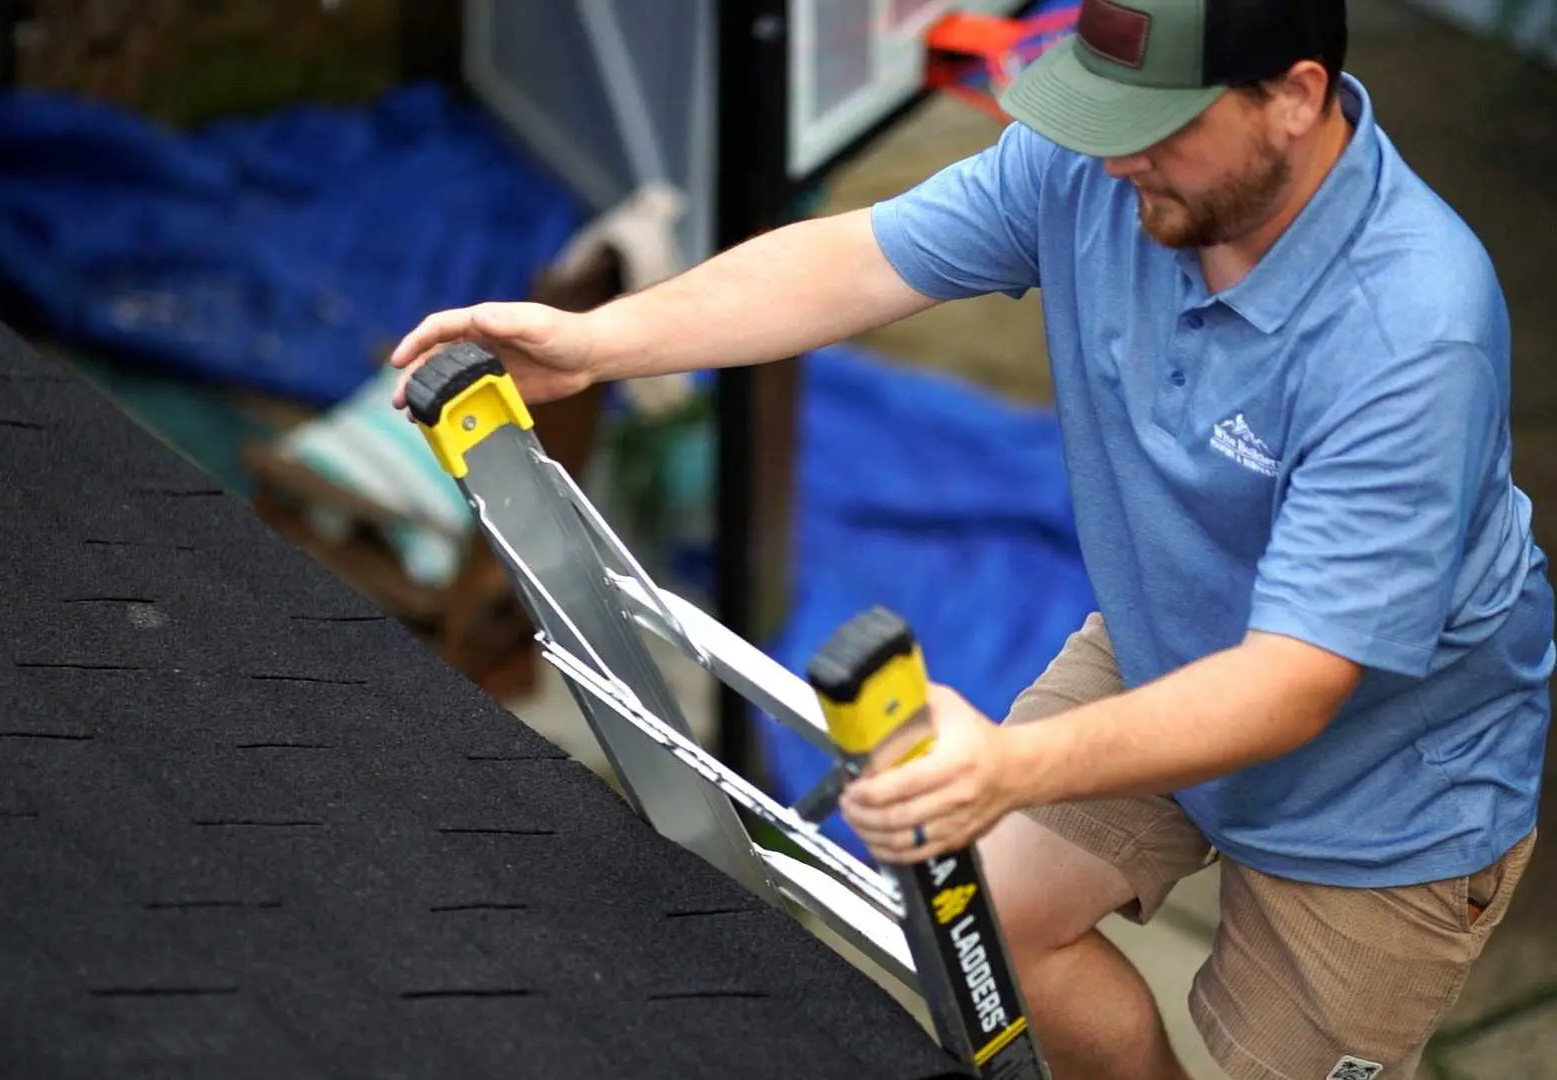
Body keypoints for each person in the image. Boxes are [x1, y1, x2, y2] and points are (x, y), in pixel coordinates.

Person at [388, 1, 1550, 1077]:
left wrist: (1007, 764)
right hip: (1167, 647)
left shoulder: (1414, 332)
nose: (1113, 158)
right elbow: (862, 257)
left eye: (1158, 127)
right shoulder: (1104, 170)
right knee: (982, 924)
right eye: (1104, 118)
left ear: (1295, 98)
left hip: (1381, 799)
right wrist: (598, 343)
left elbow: (1292, 686)